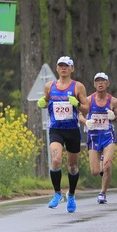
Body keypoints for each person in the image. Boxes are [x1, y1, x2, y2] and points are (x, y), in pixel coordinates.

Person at [37, 56, 88, 213]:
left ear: (72, 69)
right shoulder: (49, 86)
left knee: (72, 166)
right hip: (56, 129)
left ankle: (71, 195)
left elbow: (86, 108)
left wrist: (77, 104)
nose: (63, 68)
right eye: (61, 66)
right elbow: (46, 101)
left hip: (72, 130)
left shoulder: (78, 87)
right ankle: (57, 193)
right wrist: (43, 102)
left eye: (67, 66)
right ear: (57, 68)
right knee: (56, 159)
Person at [84, 72, 117, 204]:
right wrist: (85, 122)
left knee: (107, 165)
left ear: (107, 83)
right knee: (95, 171)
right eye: (97, 81)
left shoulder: (113, 101)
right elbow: (79, 114)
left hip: (107, 136)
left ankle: (102, 193)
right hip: (93, 137)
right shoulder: (88, 100)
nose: (100, 83)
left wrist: (114, 117)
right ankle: (101, 161)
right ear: (94, 84)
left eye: (103, 81)